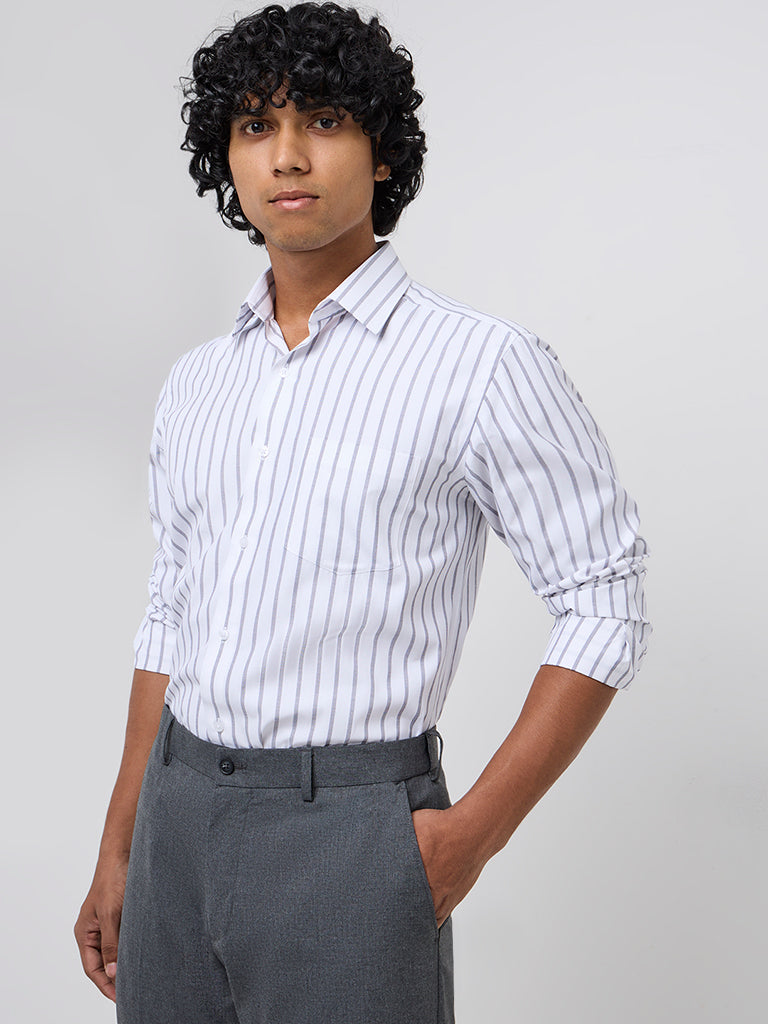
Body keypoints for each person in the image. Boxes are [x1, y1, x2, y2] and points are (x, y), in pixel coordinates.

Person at [74, 3, 651, 1022]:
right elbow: (172, 609)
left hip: (352, 836)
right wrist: (120, 844)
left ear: (382, 151)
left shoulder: (481, 366)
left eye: (326, 120)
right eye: (257, 125)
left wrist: (466, 841)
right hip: (175, 820)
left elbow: (606, 599)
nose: (288, 156)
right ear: (228, 157)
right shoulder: (198, 381)